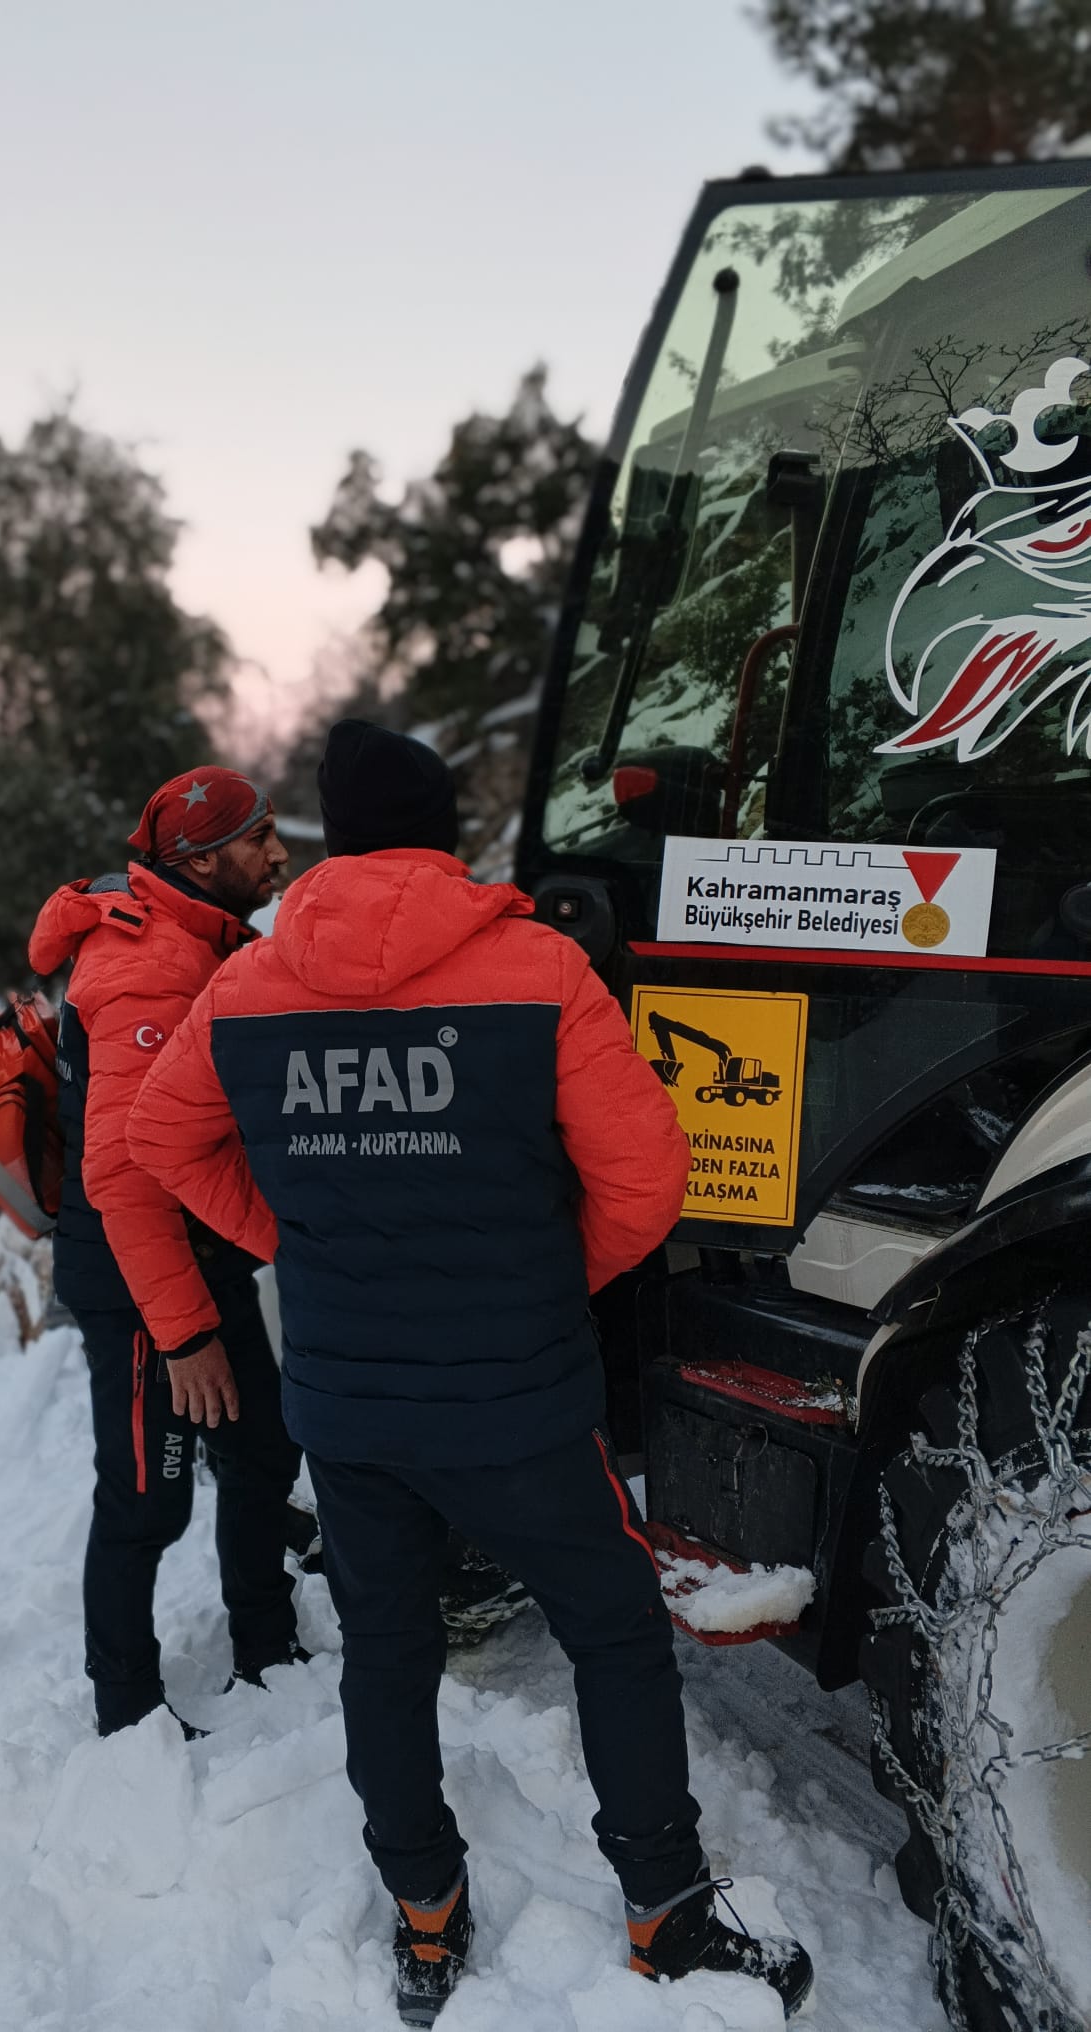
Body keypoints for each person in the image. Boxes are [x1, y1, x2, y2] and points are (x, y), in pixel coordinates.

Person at [126, 722, 814, 2024]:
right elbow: (648, 1175)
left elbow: (162, 1139)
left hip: (352, 1409)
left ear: (334, 836)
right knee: (613, 1631)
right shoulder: (539, 966)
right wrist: (550, 1274)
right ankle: (665, 1912)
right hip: (520, 1396)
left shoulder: (250, 985)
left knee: (385, 1652)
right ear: (445, 833)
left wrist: (304, 1246)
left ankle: (426, 1920)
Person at [27, 765, 306, 1738]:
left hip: (201, 1255)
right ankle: (127, 1708)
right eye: (257, 838)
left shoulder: (199, 939)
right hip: (137, 1276)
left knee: (262, 1450)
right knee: (147, 1497)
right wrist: (184, 1337)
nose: (279, 854)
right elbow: (124, 1175)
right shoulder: (146, 966)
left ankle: (268, 1646)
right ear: (199, 857)